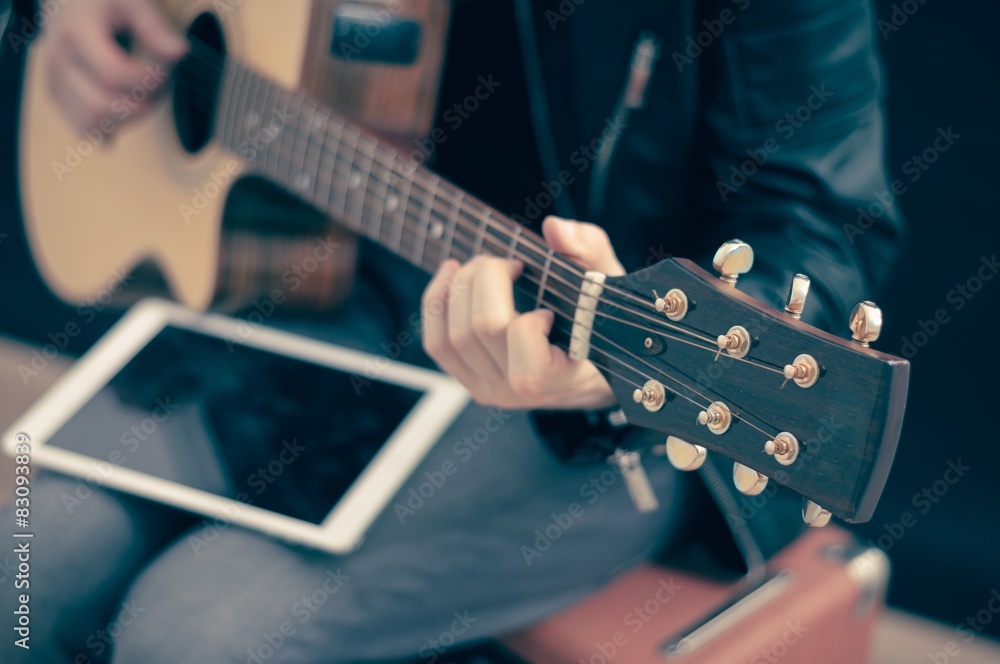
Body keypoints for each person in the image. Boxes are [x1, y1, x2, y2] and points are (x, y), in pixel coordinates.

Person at [1, 0, 903, 662]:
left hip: (597, 405)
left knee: (199, 633)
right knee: (27, 557)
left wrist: (598, 381)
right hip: (287, 294)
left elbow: (820, 230)